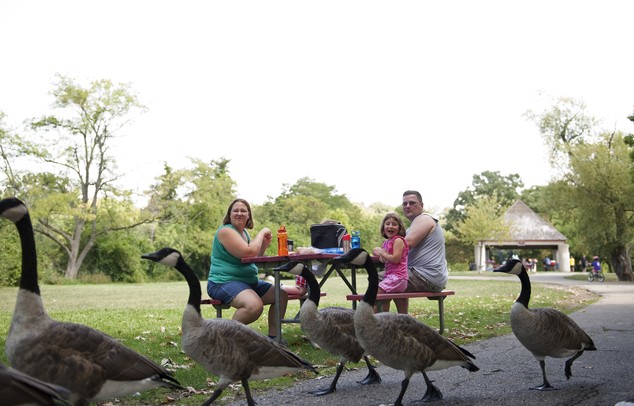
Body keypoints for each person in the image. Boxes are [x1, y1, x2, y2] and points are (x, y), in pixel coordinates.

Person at [207, 198, 288, 341]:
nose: (239, 213)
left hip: (247, 283)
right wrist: (262, 232)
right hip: (223, 282)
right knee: (253, 306)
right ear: (229, 214)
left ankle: (274, 338)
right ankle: (224, 339)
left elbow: (252, 258)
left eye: (243, 211)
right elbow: (249, 252)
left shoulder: (244, 233)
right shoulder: (226, 231)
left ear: (248, 215)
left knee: (280, 295)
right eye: (235, 210)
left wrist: (263, 245)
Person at [393, 190, 449, 314]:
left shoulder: (424, 219)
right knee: (393, 278)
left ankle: (379, 324)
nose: (407, 206)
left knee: (381, 280)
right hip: (428, 276)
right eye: (405, 204)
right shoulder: (414, 225)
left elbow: (408, 243)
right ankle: (403, 320)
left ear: (421, 205)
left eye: (412, 203)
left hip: (426, 276)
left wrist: (382, 252)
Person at [372, 212, 409, 313]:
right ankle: (384, 319)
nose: (390, 226)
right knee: (383, 299)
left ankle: (378, 319)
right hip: (391, 277)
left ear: (399, 228)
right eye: (387, 224)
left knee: (375, 294)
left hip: (399, 277)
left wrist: (383, 253)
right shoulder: (386, 242)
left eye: (394, 224)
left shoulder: (398, 240)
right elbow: (378, 253)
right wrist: (378, 251)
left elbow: (396, 259)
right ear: (383, 227)